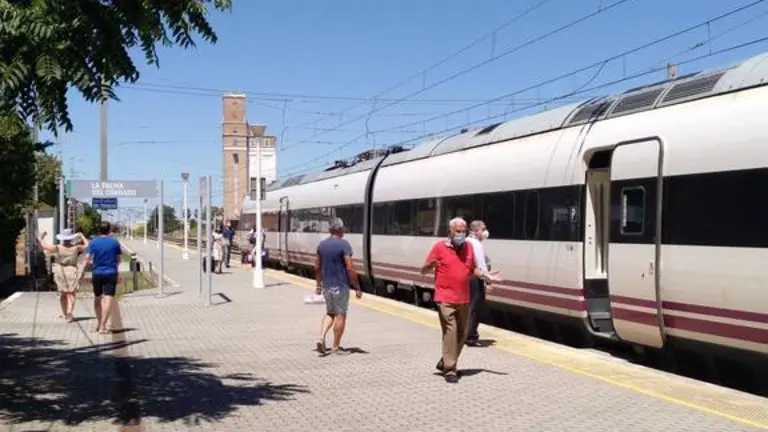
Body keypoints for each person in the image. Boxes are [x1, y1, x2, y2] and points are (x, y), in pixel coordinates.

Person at [421, 217, 500, 383]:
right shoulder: (439, 247)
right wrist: (430, 266)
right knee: (451, 330)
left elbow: (472, 269)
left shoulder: (469, 247)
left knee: (463, 333)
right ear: (450, 232)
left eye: (463, 231)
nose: (461, 234)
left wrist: (485, 275)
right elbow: (423, 270)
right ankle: (450, 369)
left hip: (463, 297)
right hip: (445, 297)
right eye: (458, 231)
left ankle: (445, 360)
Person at [314, 218, 362, 355]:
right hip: (340, 285)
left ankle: (321, 337)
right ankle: (336, 347)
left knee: (330, 312)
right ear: (340, 229)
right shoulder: (344, 245)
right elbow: (350, 267)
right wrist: (357, 287)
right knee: (341, 315)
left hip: (327, 285)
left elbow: (317, 267)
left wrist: (318, 285)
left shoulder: (322, 245)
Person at [38, 229, 89, 323]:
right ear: (71, 238)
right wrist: (81, 235)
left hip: (60, 271)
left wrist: (41, 238)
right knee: (71, 293)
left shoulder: (57, 247)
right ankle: (70, 312)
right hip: (72, 270)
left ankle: (65, 313)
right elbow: (88, 245)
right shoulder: (76, 248)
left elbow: (44, 246)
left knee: (63, 294)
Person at [85, 221, 123, 334]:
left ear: (99, 230)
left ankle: (99, 323)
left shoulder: (93, 242)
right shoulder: (114, 242)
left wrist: (83, 271)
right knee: (108, 299)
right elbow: (119, 259)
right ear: (109, 230)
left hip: (97, 273)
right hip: (111, 273)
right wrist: (114, 266)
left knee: (97, 298)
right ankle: (102, 326)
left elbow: (87, 258)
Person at [465, 220, 492, 346]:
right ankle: (471, 336)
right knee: (475, 307)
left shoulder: (467, 241)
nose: (485, 232)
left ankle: (467, 334)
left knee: (469, 306)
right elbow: (481, 264)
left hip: (467, 278)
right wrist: (487, 280)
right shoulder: (476, 244)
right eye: (483, 229)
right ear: (476, 231)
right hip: (475, 278)